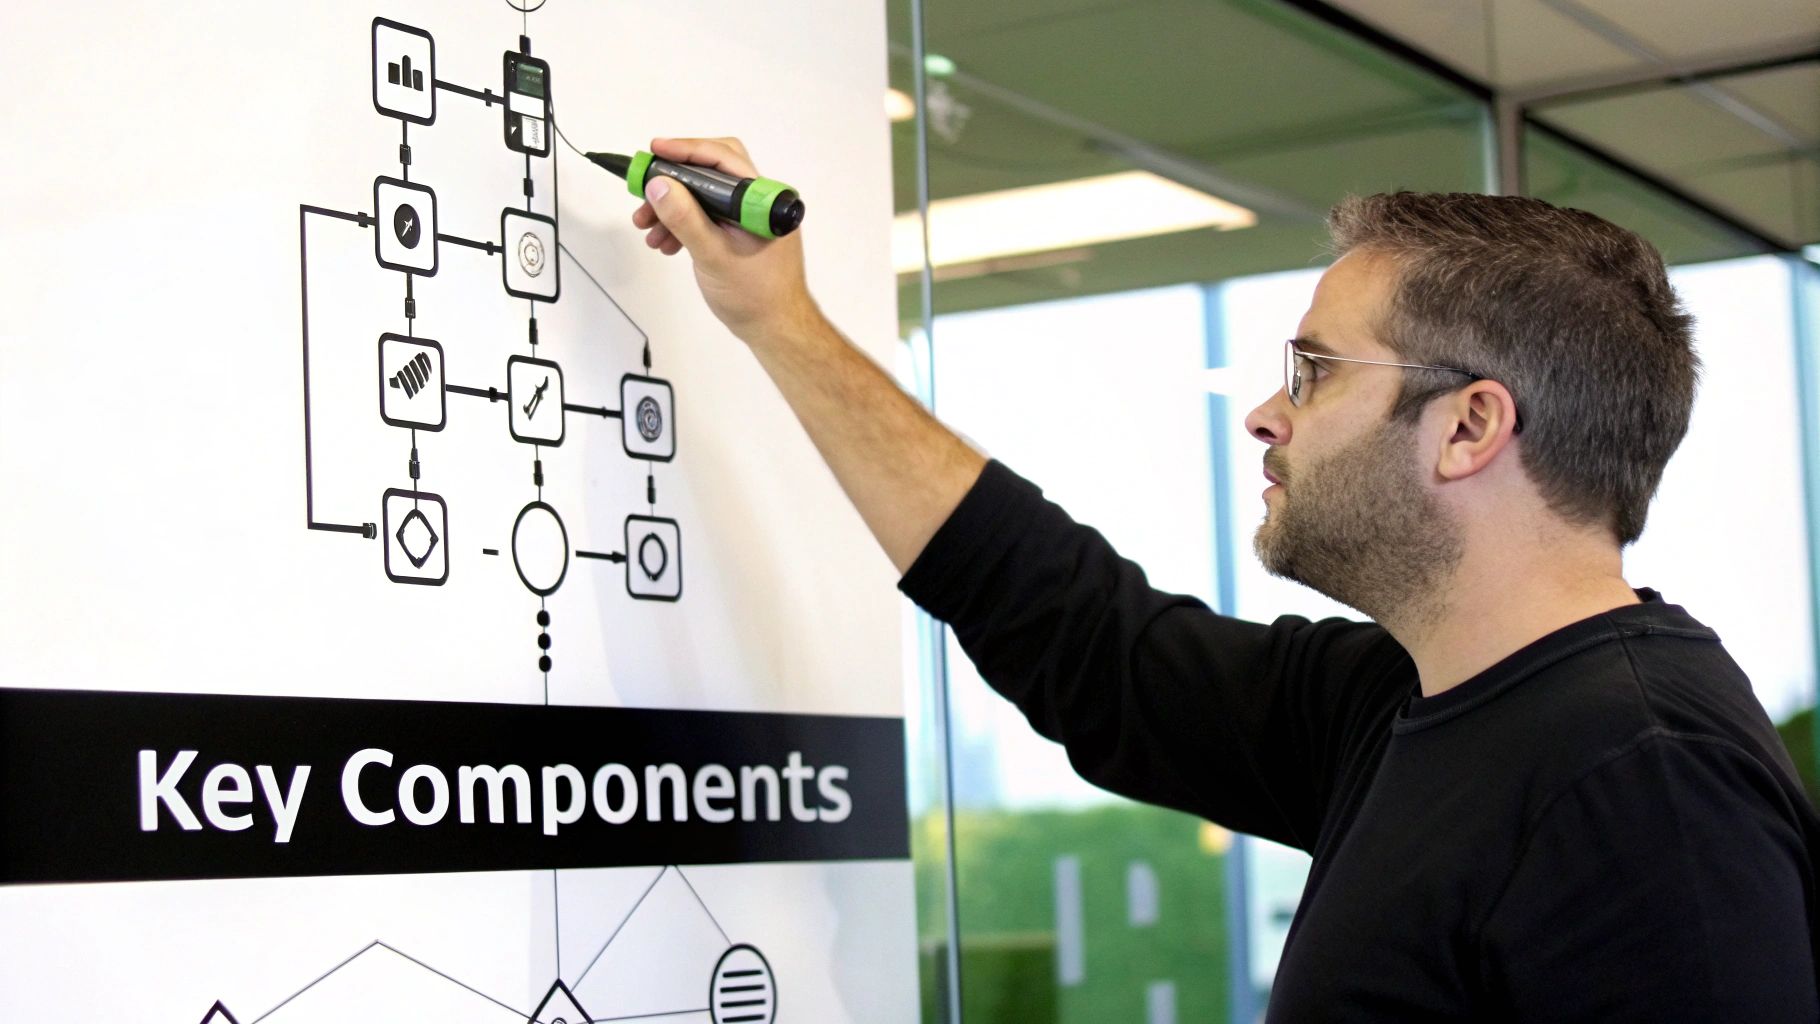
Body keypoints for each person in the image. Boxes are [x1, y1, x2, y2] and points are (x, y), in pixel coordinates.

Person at [632, 136, 1820, 1020]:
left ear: (1467, 427)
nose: (1263, 416)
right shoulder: (1397, 701)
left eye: (1310, 373)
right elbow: (1086, 639)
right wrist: (779, 320)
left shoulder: (1645, 783)